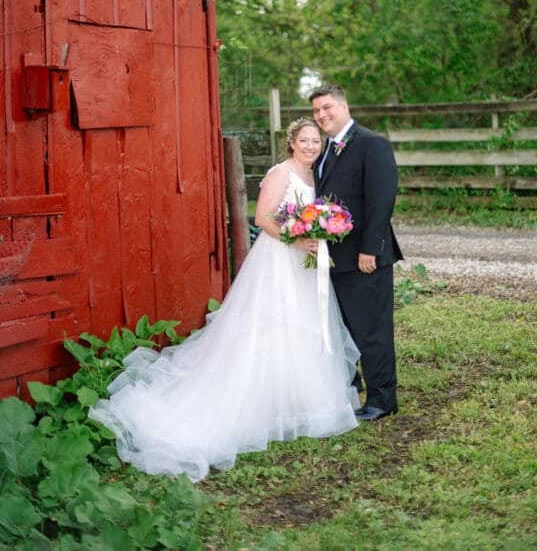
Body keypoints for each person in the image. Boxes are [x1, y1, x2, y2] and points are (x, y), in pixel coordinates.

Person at [90, 118, 359, 482]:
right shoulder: (281, 173)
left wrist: (320, 231)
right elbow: (263, 218)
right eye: (305, 140)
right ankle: (256, 400)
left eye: (316, 141)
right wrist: (297, 239)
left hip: (305, 264)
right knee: (271, 324)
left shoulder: (315, 176)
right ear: (291, 142)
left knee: (304, 323)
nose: (311, 146)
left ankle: (296, 401)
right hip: (279, 259)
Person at [310, 84, 403, 421]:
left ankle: (381, 399)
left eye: (327, 108)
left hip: (365, 258)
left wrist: (370, 250)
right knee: (345, 328)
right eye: (317, 111)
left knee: (372, 329)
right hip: (335, 258)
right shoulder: (325, 150)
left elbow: (381, 200)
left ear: (344, 106)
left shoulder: (370, 144)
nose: (322, 115)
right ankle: (352, 389)